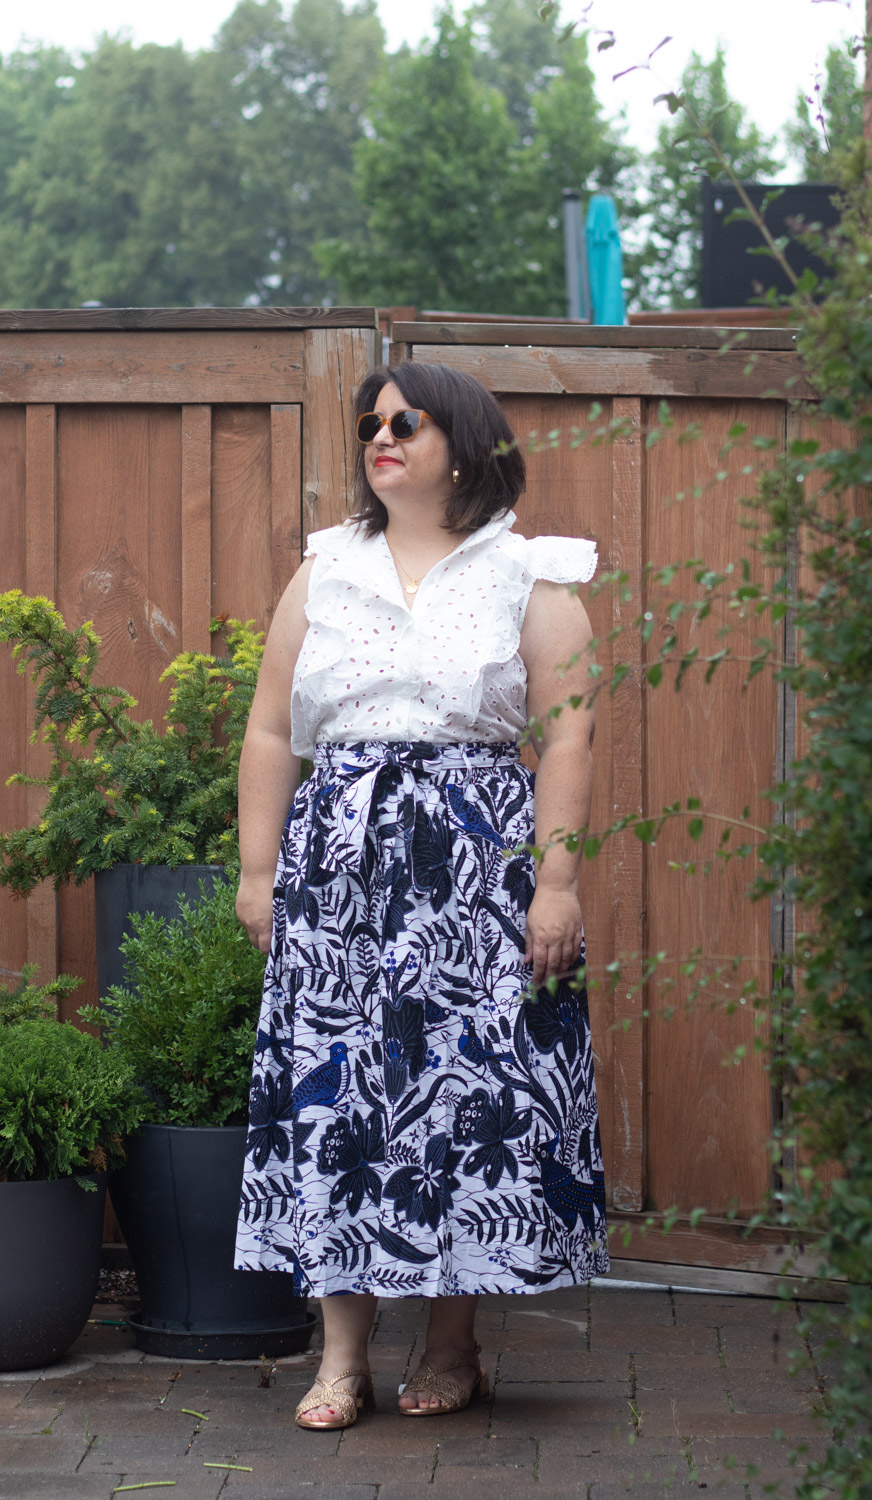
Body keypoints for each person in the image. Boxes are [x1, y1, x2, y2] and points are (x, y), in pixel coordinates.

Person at [234, 362, 609, 1430]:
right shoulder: (323, 572)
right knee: (336, 1093)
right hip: (336, 874)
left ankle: (452, 1344)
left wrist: (557, 883)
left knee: (467, 1094)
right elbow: (270, 730)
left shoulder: (527, 572)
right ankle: (340, 1357)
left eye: (407, 421)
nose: (380, 436)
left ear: (468, 441)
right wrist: (259, 874)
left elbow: (569, 732)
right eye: (369, 424)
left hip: (475, 879)